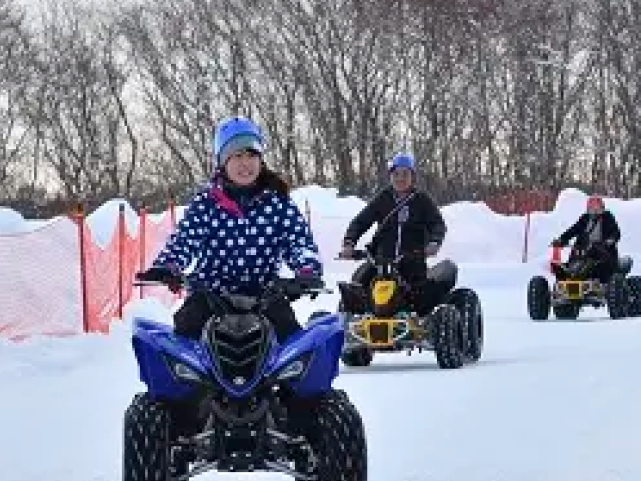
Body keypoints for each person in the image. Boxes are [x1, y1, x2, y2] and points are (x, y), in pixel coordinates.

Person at [137, 116, 323, 342]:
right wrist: (168, 267)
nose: (245, 163)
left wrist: (307, 270)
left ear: (261, 159)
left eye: (251, 154)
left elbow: (299, 242)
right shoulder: (206, 203)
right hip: (210, 296)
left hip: (265, 295)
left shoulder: (278, 203)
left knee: (291, 342)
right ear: (223, 161)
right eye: (237, 155)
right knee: (184, 336)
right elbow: (184, 241)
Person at [339, 152, 448, 313]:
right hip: (381, 261)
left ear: (412, 176)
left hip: (412, 259)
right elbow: (360, 222)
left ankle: (422, 324)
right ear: (390, 176)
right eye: (396, 174)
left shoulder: (422, 200)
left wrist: (434, 243)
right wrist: (349, 243)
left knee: (423, 297)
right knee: (357, 287)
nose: (400, 178)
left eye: (405, 174)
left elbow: (437, 224)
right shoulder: (383, 198)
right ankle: (352, 324)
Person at [552, 194, 621, 278]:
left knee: (603, 267)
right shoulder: (585, 218)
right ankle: (565, 280)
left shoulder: (608, 217)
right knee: (570, 264)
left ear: (602, 208)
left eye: (597, 209)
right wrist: (562, 239)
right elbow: (573, 230)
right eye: (592, 209)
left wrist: (610, 240)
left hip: (603, 250)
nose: (595, 211)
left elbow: (616, 232)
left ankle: (600, 282)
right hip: (584, 249)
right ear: (588, 209)